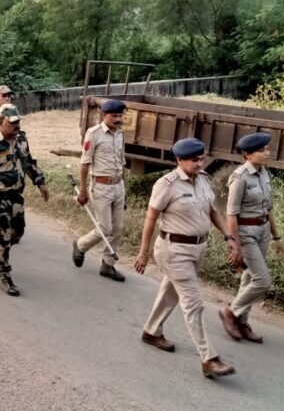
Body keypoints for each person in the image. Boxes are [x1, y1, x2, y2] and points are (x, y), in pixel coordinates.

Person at [134, 138, 242, 379]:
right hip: (173, 250)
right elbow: (151, 218)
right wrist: (143, 252)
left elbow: (212, 211)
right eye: (194, 160)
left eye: (202, 158)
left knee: (171, 291)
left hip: (197, 249)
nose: (200, 163)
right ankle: (209, 358)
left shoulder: (202, 179)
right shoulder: (166, 185)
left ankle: (151, 331)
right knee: (193, 303)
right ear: (179, 160)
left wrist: (229, 237)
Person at [0, 104, 49, 296]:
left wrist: (40, 181)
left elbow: (28, 162)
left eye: (18, 122)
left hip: (16, 196)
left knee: (17, 234)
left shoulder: (21, 139)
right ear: (0, 122)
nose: (17, 126)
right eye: (12, 123)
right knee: (3, 238)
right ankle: (4, 277)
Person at [220, 132, 283, 344]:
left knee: (248, 278)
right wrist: (234, 244)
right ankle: (231, 312)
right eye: (261, 150)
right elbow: (231, 214)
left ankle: (242, 322)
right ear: (248, 155)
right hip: (246, 233)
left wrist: (276, 237)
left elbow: (269, 208)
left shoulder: (264, 173)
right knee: (263, 281)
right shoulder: (239, 178)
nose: (267, 153)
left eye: (267, 149)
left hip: (263, 230)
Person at [72, 99, 127, 281]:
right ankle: (80, 245)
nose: (118, 119)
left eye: (120, 116)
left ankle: (107, 265)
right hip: (101, 187)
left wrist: (124, 190)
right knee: (105, 227)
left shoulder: (120, 134)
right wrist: (82, 191)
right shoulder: (93, 133)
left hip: (118, 186)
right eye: (114, 116)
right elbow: (85, 164)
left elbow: (122, 163)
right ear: (105, 115)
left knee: (117, 228)